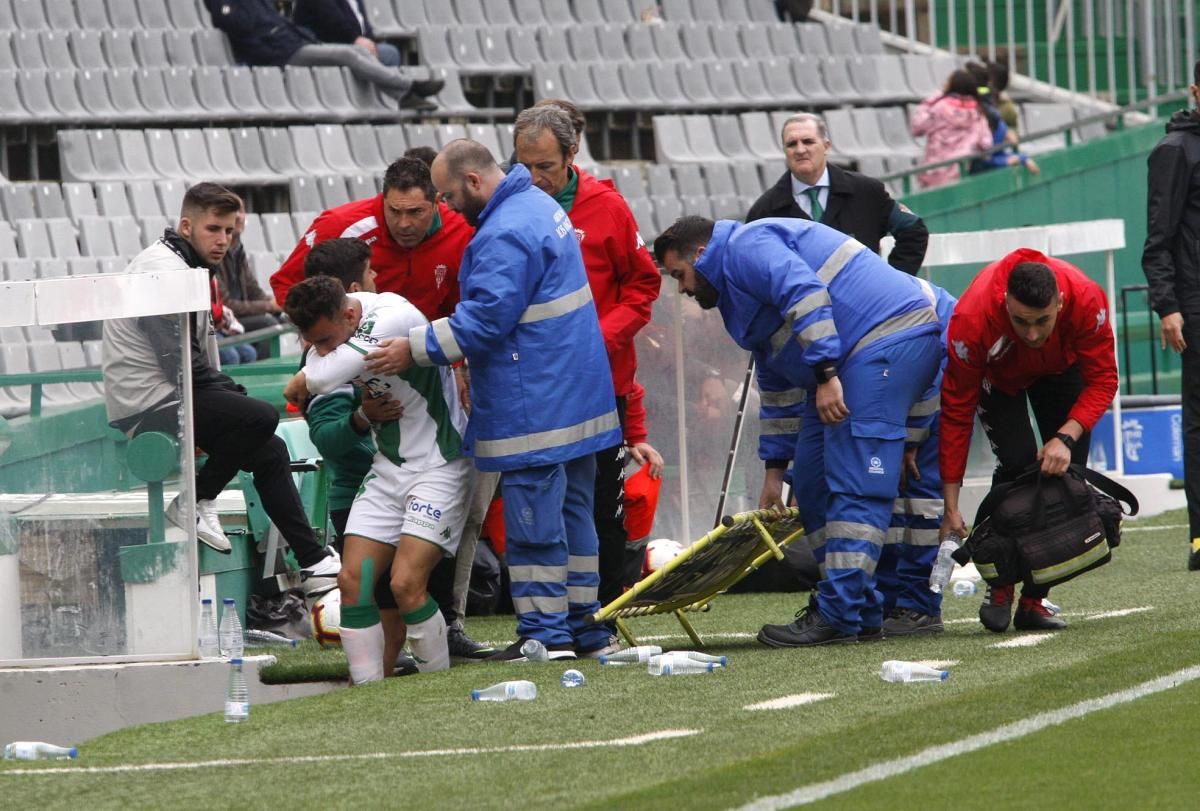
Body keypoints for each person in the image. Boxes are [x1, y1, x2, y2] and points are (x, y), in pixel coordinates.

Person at [363, 140, 624, 661]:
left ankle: (545, 638)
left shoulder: (503, 232)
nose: (446, 207)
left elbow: (483, 322)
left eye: (446, 195)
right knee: (576, 518)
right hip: (577, 394)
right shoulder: (541, 206)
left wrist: (412, 349)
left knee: (533, 527)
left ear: (475, 182)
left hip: (535, 402)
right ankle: (586, 629)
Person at [654, 215, 943, 647]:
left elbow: (806, 294)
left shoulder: (746, 246)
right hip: (845, 360)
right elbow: (777, 381)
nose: (682, 289)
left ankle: (839, 612)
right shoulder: (734, 288)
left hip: (881, 342)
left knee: (853, 482)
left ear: (701, 254)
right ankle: (860, 608)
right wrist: (774, 470)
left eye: (680, 275)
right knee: (809, 479)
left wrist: (826, 373)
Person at [101, 182, 339, 590]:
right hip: (147, 403)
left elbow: (191, 366)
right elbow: (181, 366)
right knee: (261, 417)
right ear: (186, 225)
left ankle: (314, 559)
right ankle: (196, 500)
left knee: (270, 450)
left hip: (174, 391)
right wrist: (233, 397)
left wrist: (229, 395)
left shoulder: (186, 266)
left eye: (229, 231)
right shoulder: (162, 271)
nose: (223, 240)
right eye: (214, 229)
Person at [298, 238, 493, 662]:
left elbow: (312, 380)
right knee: (352, 583)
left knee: (406, 584)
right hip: (389, 469)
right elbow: (317, 372)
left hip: (440, 465)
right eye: (316, 343)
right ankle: (367, 690)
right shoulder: (339, 330)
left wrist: (312, 371)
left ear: (349, 312)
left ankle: (434, 680)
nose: (323, 350)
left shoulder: (392, 318)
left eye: (328, 339)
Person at [512, 104, 664, 610]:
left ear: (572, 154)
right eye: (524, 166)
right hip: (532, 388)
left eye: (545, 168)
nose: (533, 179)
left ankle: (601, 612)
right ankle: (546, 617)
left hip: (600, 385)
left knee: (600, 505)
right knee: (536, 502)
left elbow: (644, 283)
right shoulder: (509, 207)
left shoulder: (607, 207)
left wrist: (596, 340)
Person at [939, 249, 1118, 631]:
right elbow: (956, 412)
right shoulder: (971, 321)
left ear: (1061, 303)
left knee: (1062, 479)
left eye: (1042, 320)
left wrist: (1065, 439)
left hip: (1061, 370)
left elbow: (1104, 380)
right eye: (1021, 322)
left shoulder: (1086, 299)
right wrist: (951, 506)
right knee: (1018, 470)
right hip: (998, 379)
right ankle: (1001, 585)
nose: (1032, 333)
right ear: (1004, 303)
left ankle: (1035, 600)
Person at [270, 157, 470, 321]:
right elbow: (286, 283)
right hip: (352, 355)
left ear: (436, 202)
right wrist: (318, 332)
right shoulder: (339, 225)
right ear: (383, 199)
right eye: (394, 211)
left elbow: (458, 305)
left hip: (425, 353)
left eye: (415, 212)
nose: (403, 223)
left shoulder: (461, 230)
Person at [746, 112, 928, 275]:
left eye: (808, 141)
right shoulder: (765, 212)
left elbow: (913, 231)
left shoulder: (866, 192)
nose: (800, 150)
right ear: (785, 151)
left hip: (861, 307)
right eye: (792, 144)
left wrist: (893, 282)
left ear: (826, 146)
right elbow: (750, 265)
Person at [1142, 60, 1200, 570]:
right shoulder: (1175, 151)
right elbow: (1158, 237)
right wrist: (1169, 306)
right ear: (1195, 91)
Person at [203, 0, 441, 108]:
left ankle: (404, 94)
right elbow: (237, 24)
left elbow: (278, 23)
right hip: (278, 54)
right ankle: (408, 87)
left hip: (291, 45)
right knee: (351, 55)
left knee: (357, 53)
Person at [216, 202, 286, 360]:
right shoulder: (216, 253)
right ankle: (265, 377)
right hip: (227, 319)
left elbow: (253, 289)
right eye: (234, 211)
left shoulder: (238, 250)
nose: (239, 216)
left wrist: (277, 304)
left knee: (280, 318)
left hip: (241, 316)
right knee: (268, 322)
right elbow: (227, 304)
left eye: (242, 210)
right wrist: (269, 306)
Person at [911, 69, 995, 190]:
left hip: (933, 174)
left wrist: (929, 102)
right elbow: (986, 143)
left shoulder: (938, 107)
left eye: (947, 80)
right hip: (961, 174)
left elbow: (917, 127)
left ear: (952, 85)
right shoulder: (977, 113)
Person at [291, 0, 401, 67]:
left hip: (351, 44)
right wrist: (355, 39)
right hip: (325, 47)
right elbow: (332, 20)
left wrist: (370, 42)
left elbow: (363, 23)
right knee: (389, 54)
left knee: (388, 52)